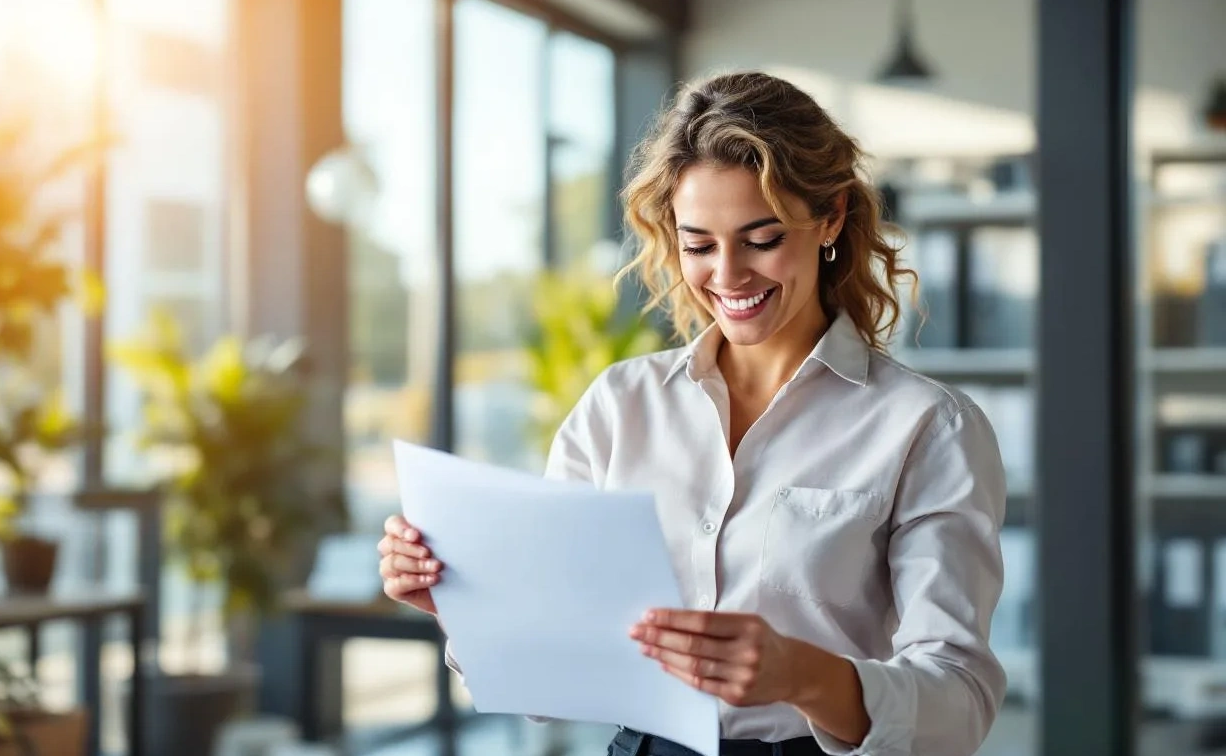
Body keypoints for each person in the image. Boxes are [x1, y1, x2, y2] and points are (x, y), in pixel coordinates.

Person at [378, 70, 1006, 756]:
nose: (728, 276)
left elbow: (959, 703)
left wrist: (804, 674)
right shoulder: (619, 407)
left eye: (761, 239)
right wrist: (464, 605)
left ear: (829, 218)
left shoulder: (926, 427)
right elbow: (551, 680)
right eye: (699, 244)